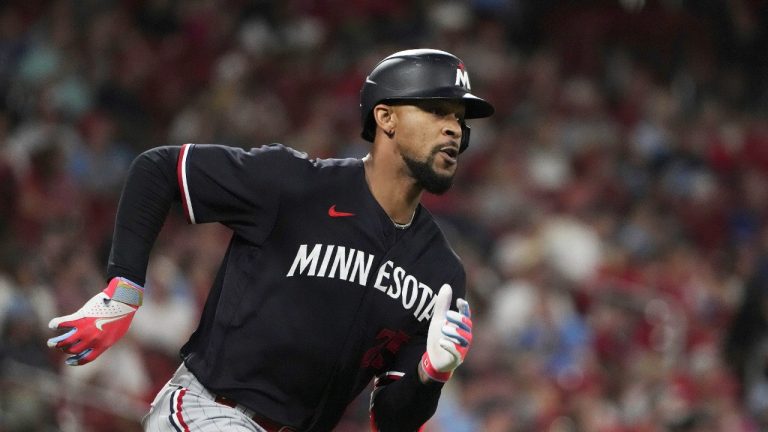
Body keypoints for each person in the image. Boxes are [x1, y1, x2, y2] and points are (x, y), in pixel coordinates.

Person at [46, 48, 494, 432]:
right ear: (386, 117)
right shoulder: (296, 184)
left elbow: (390, 422)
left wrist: (430, 374)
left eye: (459, 119)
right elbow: (158, 170)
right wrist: (123, 292)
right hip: (210, 410)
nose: (454, 129)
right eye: (437, 111)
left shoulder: (440, 272)